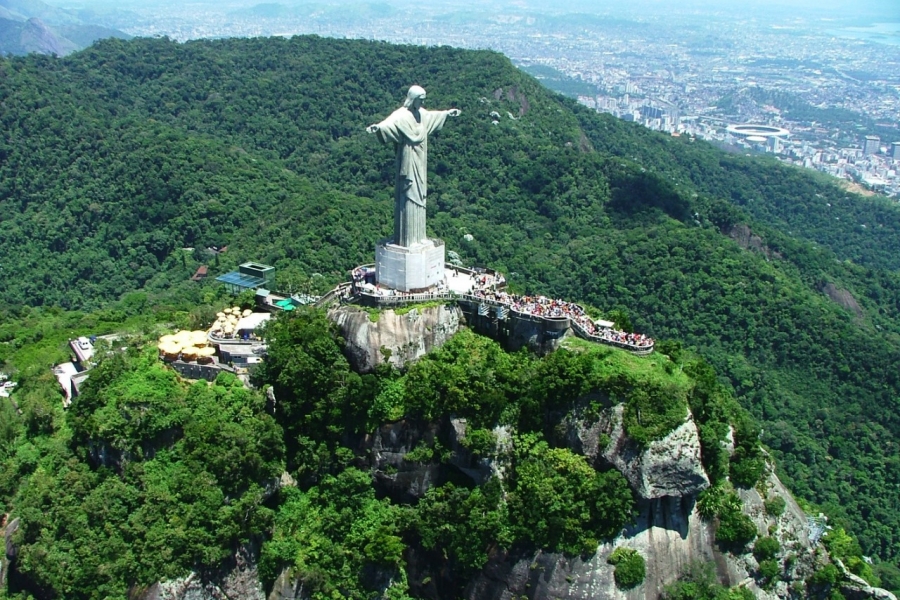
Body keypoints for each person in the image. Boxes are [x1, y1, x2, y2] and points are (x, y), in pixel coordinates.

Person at [367, 86, 460, 247]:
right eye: (420, 100)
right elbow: (388, 124)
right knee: (408, 195)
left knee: (420, 196)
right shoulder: (401, 115)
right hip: (407, 161)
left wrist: (447, 113)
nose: (422, 103)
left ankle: (419, 237)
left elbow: (433, 116)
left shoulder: (422, 115)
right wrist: (378, 128)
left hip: (420, 160)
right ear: (412, 98)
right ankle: (407, 239)